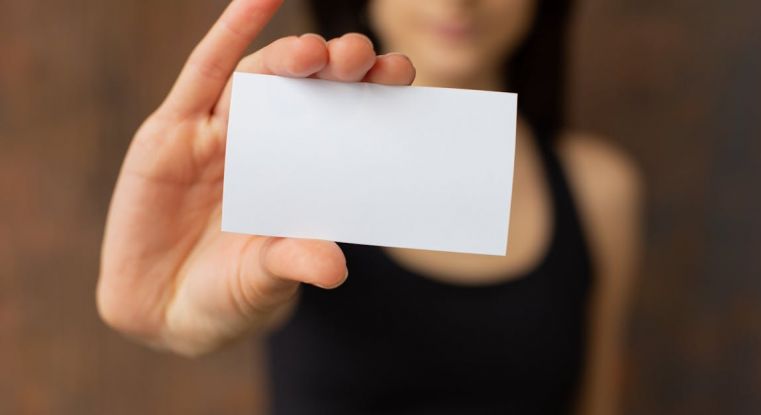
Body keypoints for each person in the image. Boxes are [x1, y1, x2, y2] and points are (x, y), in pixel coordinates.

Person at [97, 0, 642, 413]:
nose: (457, 1)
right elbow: (215, 313)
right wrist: (169, 309)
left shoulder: (599, 191)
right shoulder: (286, 168)